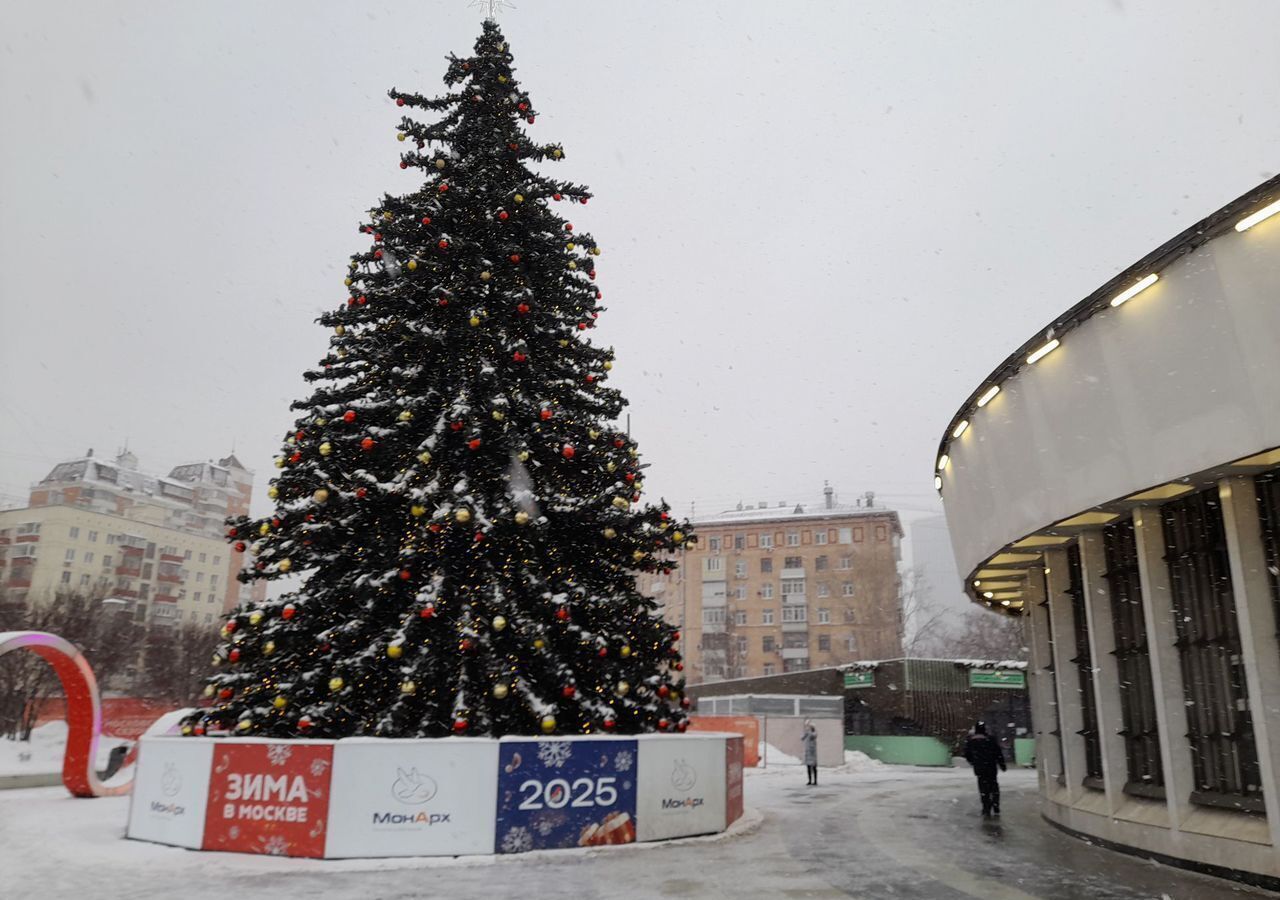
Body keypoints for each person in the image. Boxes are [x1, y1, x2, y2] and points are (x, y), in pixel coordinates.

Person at [963, 721, 1006, 815]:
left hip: (979, 768)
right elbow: (998, 753)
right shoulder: (990, 739)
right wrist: (1002, 764)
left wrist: (973, 762)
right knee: (994, 786)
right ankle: (996, 805)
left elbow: (967, 754)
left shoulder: (971, 741)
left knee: (983, 787)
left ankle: (986, 807)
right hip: (991, 767)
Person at [801, 720, 818, 785]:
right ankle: (810, 780)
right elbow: (802, 738)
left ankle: (815, 781)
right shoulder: (807, 733)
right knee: (808, 767)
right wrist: (806, 731)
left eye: (811, 727)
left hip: (813, 752)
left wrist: (808, 731)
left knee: (814, 767)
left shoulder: (814, 733)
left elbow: (813, 736)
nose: (809, 728)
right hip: (808, 753)